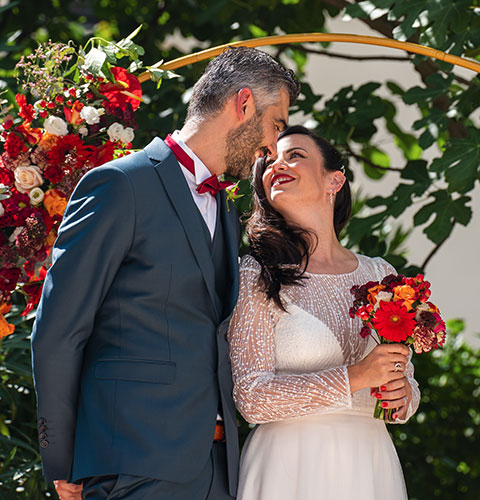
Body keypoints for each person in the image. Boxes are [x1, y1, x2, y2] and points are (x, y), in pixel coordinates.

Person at [31, 47, 300, 500]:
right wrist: (64, 461)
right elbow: (58, 331)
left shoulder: (227, 208)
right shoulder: (119, 185)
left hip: (219, 470)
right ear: (244, 102)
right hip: (132, 466)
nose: (273, 147)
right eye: (277, 125)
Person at [227, 125, 420, 500]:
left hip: (369, 464)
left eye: (294, 155)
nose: (276, 164)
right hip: (289, 466)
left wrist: (403, 395)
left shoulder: (381, 274)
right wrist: (355, 376)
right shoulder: (257, 274)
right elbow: (250, 398)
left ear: (334, 181)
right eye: (268, 160)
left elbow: (405, 384)